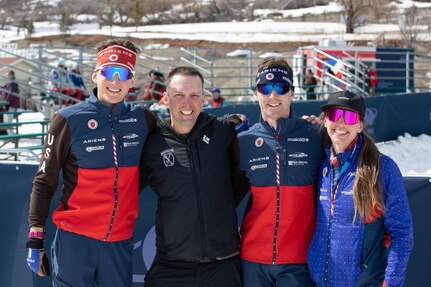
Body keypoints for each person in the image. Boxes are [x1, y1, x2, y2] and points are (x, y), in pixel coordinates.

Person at [26, 39, 157, 286]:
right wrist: (35, 237)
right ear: (96, 75)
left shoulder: (143, 120)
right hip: (75, 240)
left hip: (119, 241)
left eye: (123, 74)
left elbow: (178, 136)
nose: (115, 81)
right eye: (109, 72)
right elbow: (44, 181)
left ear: (132, 80)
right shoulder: (67, 119)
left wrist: (225, 125)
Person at [139, 66, 249, 287]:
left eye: (194, 96)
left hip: (223, 265)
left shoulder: (224, 132)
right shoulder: (151, 143)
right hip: (172, 267)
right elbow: (121, 189)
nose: (187, 104)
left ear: (203, 99)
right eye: (179, 95)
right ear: (165, 98)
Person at [307, 91, 413, 287]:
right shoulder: (321, 163)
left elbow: (402, 235)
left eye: (349, 116)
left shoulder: (381, 168)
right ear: (325, 121)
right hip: (317, 281)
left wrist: (391, 283)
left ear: (361, 125)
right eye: (334, 115)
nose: (340, 123)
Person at [237, 57, 323, 287]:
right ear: (256, 93)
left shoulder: (315, 136)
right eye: (265, 88)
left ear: (292, 93)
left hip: (299, 260)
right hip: (252, 259)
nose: (272, 96)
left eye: (280, 88)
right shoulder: (242, 141)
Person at [1, 70, 20, 134]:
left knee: (8, 121)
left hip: (11, 104)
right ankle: (11, 135)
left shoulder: (13, 83)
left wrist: (5, 101)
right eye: (7, 75)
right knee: (6, 121)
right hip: (7, 105)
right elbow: (3, 89)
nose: (8, 76)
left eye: (9, 75)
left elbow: (11, 94)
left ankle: (12, 136)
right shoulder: (9, 83)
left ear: (13, 75)